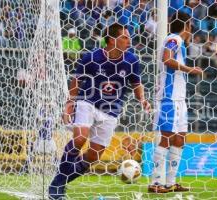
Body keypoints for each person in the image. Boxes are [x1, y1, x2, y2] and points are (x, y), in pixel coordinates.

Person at [48, 23, 151, 199]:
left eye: (129, 37)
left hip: (111, 111)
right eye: (125, 37)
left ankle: (59, 181)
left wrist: (142, 99)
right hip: (88, 103)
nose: (129, 40)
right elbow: (76, 82)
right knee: (80, 138)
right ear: (112, 40)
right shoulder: (91, 58)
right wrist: (68, 106)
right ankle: (56, 188)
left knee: (93, 156)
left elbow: (136, 83)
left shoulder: (132, 61)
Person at [149, 12, 203, 193]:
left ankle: (170, 182)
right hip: (169, 96)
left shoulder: (178, 40)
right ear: (187, 25)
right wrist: (189, 69)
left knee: (180, 138)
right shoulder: (174, 39)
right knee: (166, 138)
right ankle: (155, 183)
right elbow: (167, 58)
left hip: (179, 98)